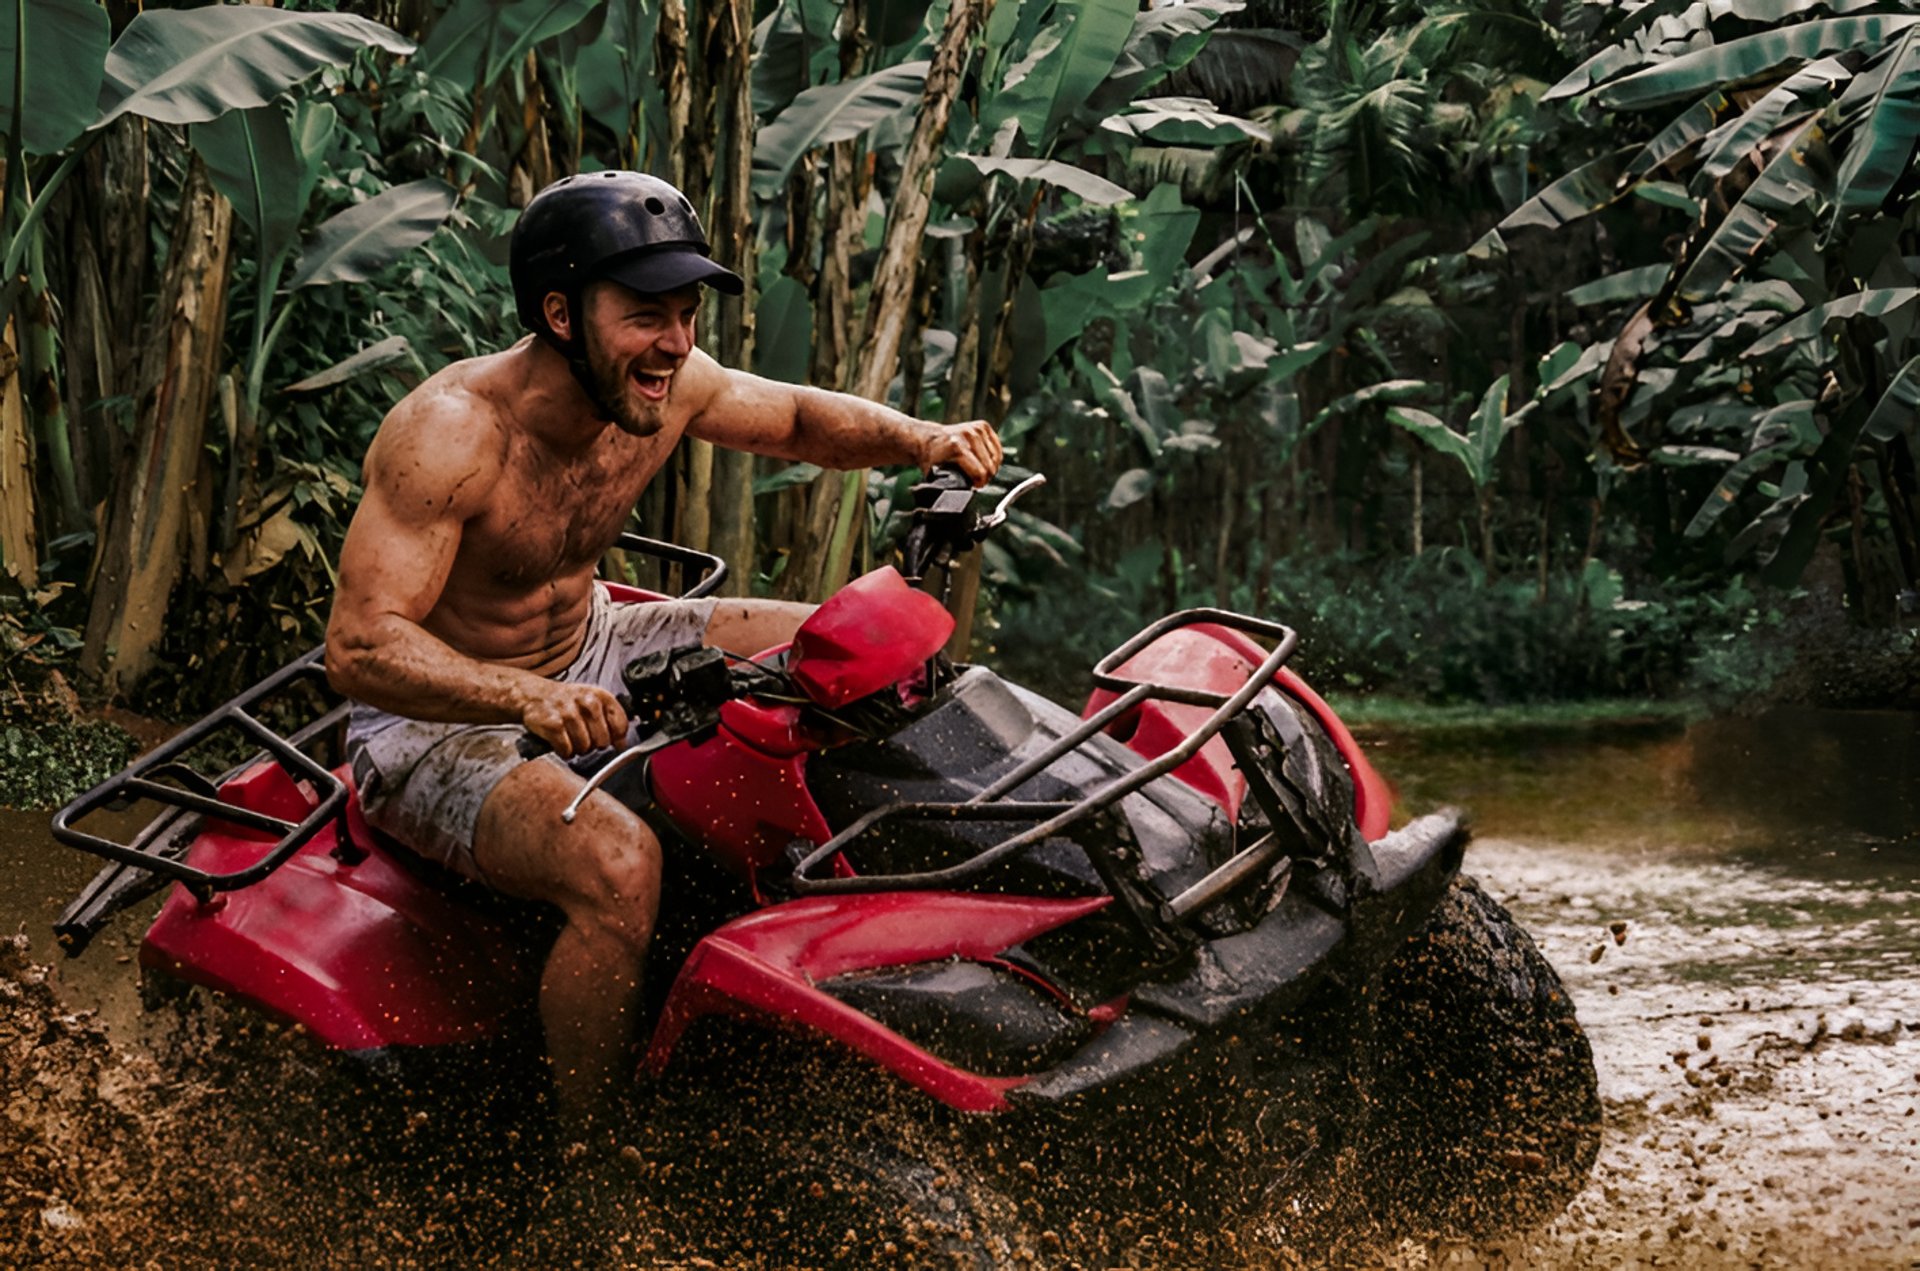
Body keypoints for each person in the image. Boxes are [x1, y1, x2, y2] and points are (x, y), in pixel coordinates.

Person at [323, 170, 1002, 1145]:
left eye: (686, 315)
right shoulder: (452, 434)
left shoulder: (670, 385)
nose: (677, 344)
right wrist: (523, 697)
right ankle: (589, 1159)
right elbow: (357, 646)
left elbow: (803, 420)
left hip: (592, 641)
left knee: (842, 644)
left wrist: (924, 438)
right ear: (559, 313)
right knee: (616, 864)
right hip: (435, 721)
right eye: (647, 315)